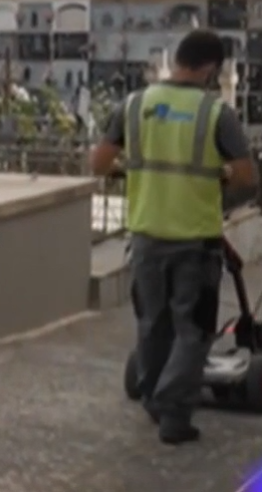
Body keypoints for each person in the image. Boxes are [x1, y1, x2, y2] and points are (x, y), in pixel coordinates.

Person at [91, 29, 257, 445]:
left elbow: (98, 163)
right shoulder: (217, 114)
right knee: (195, 331)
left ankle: (151, 397)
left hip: (146, 236)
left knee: (152, 325)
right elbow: (247, 176)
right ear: (210, 69)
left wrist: (136, 171)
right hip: (195, 242)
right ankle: (174, 414)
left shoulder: (133, 106)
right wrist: (218, 177)